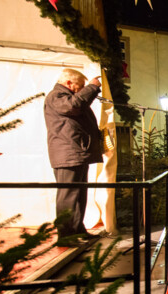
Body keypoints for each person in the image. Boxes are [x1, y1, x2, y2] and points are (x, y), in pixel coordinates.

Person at [44, 68, 103, 242]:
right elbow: (74, 105)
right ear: (69, 83)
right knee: (68, 195)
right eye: (81, 85)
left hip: (76, 152)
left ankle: (77, 229)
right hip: (68, 153)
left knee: (79, 194)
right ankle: (66, 234)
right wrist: (92, 87)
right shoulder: (56, 96)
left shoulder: (65, 97)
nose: (82, 88)